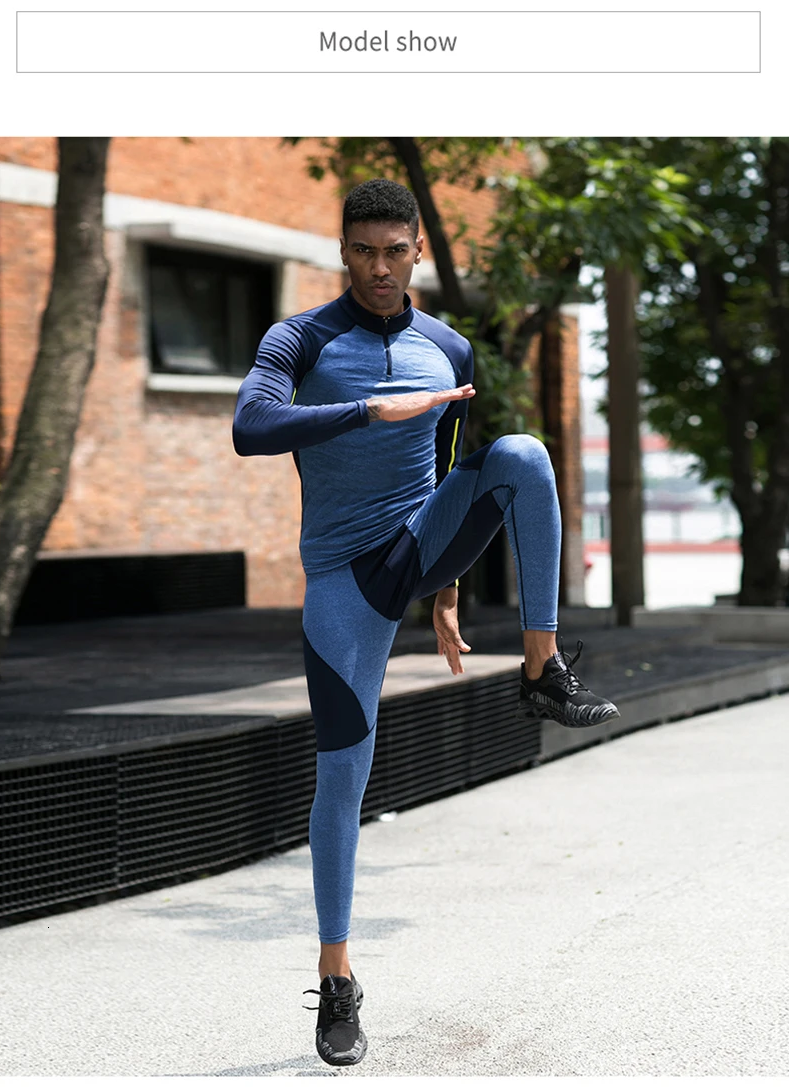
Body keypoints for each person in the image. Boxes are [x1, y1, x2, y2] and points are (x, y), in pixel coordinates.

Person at [232, 178, 619, 1067]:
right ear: (344, 251)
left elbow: (450, 466)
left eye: (395, 251)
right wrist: (369, 409)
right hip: (345, 576)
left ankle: (542, 668)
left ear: (417, 252)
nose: (380, 266)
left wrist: (447, 590)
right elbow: (251, 426)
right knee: (342, 776)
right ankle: (337, 976)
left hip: (420, 542)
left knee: (522, 454)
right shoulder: (300, 338)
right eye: (364, 251)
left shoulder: (448, 345)